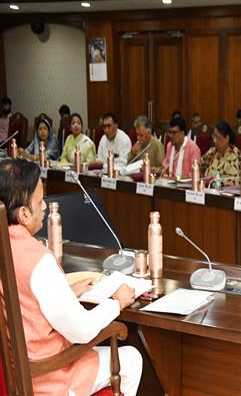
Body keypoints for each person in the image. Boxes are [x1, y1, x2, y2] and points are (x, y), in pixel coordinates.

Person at [0, 159, 142, 395]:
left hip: (14, 374)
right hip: (49, 377)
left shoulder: (6, 245)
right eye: (40, 202)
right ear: (24, 213)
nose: (45, 207)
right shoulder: (37, 260)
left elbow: (21, 300)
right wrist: (117, 303)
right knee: (132, 359)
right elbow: (81, 330)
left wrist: (67, 293)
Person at [198, 120, 241, 186]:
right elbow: (199, 168)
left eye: (217, 137)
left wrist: (213, 183)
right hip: (207, 190)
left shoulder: (235, 154)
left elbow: (234, 182)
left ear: (227, 138)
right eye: (213, 136)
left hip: (226, 192)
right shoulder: (212, 151)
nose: (214, 140)